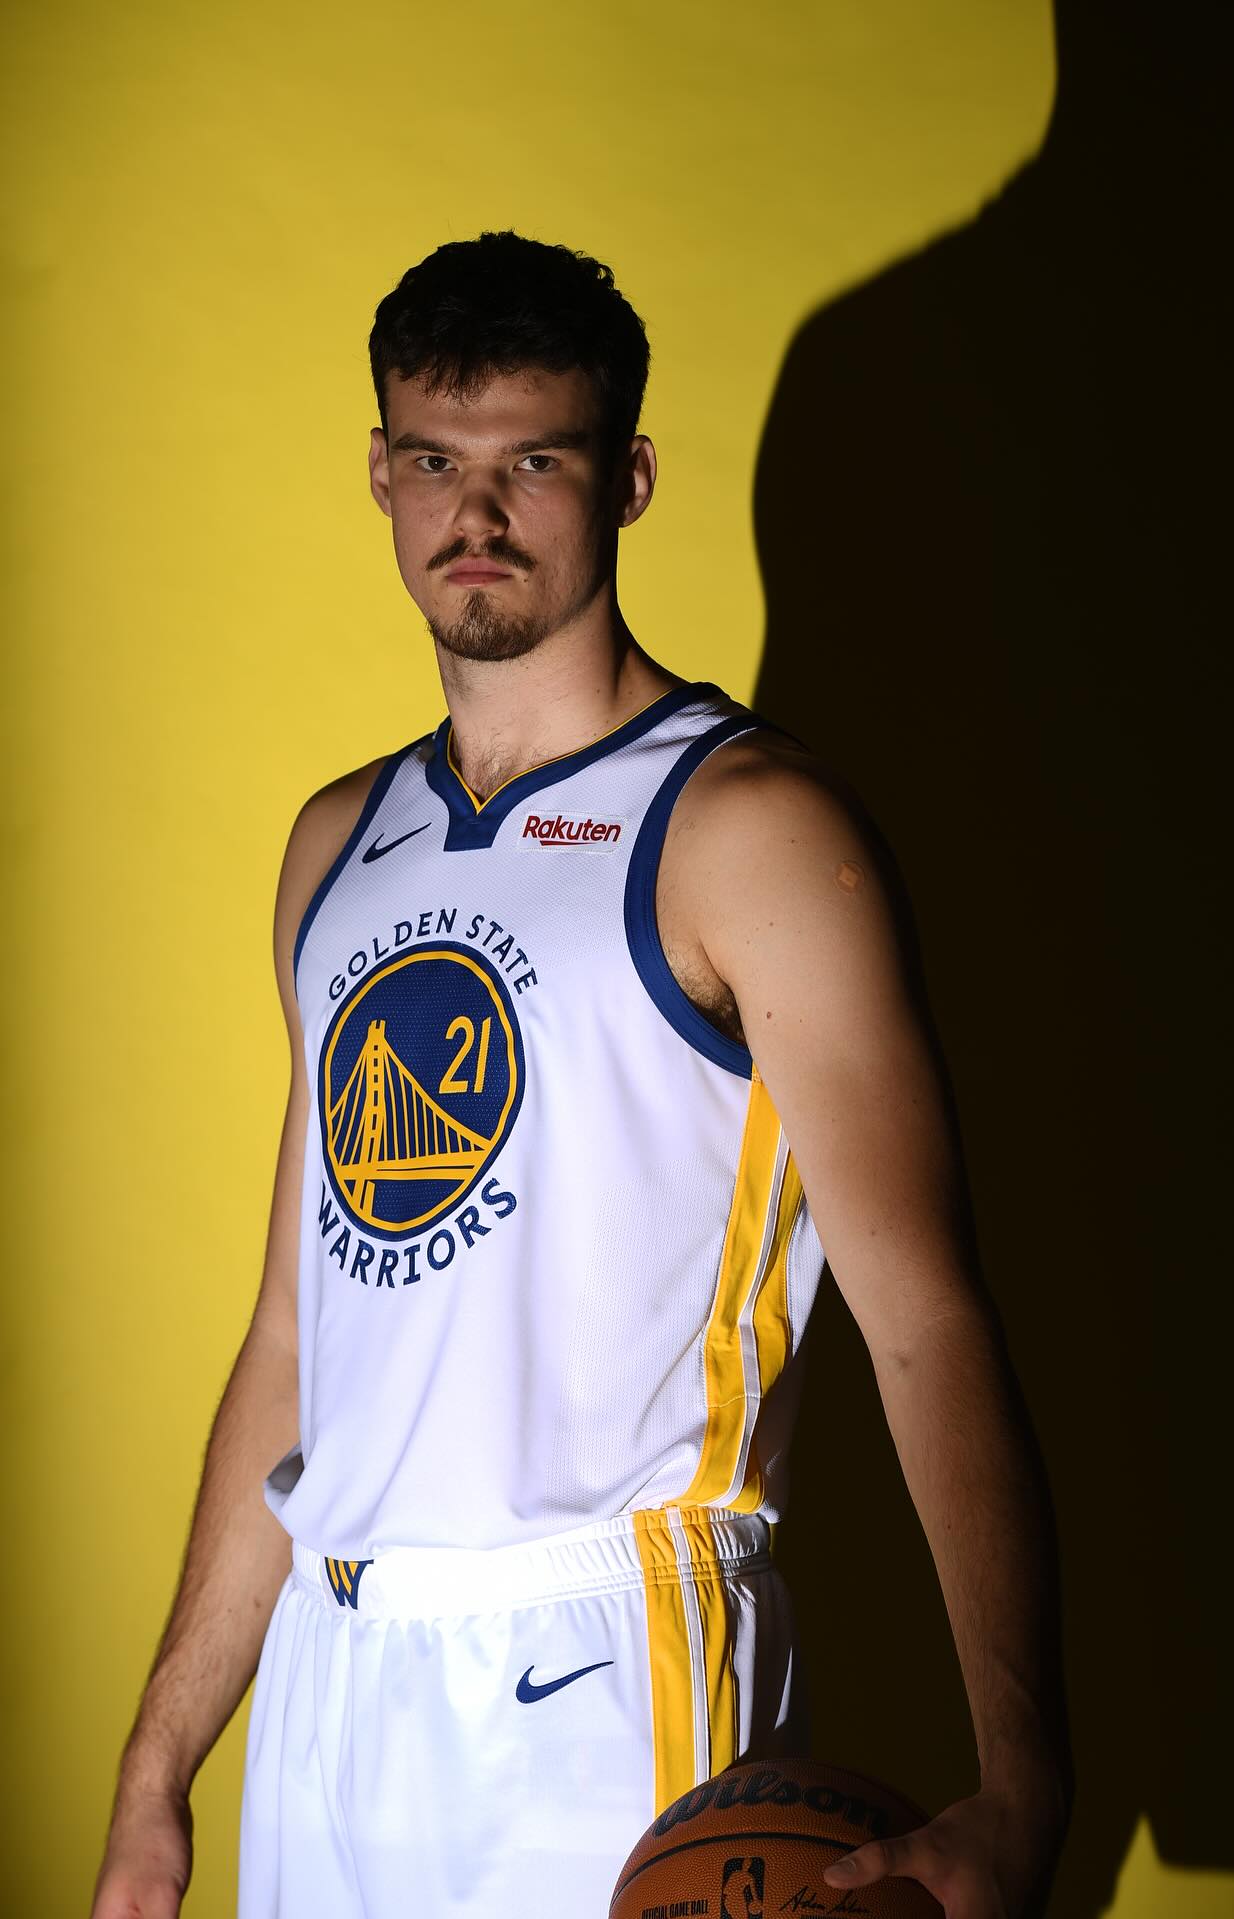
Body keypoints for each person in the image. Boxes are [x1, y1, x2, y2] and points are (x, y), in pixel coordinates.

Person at [91, 230, 1073, 1918]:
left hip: (607, 1669)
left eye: (532, 464)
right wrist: (155, 1769)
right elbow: (294, 1342)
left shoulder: (750, 830)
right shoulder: (338, 846)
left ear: (626, 480)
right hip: (333, 1679)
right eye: (435, 462)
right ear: (381, 473)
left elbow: (925, 1317)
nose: (474, 514)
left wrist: (1027, 1776)